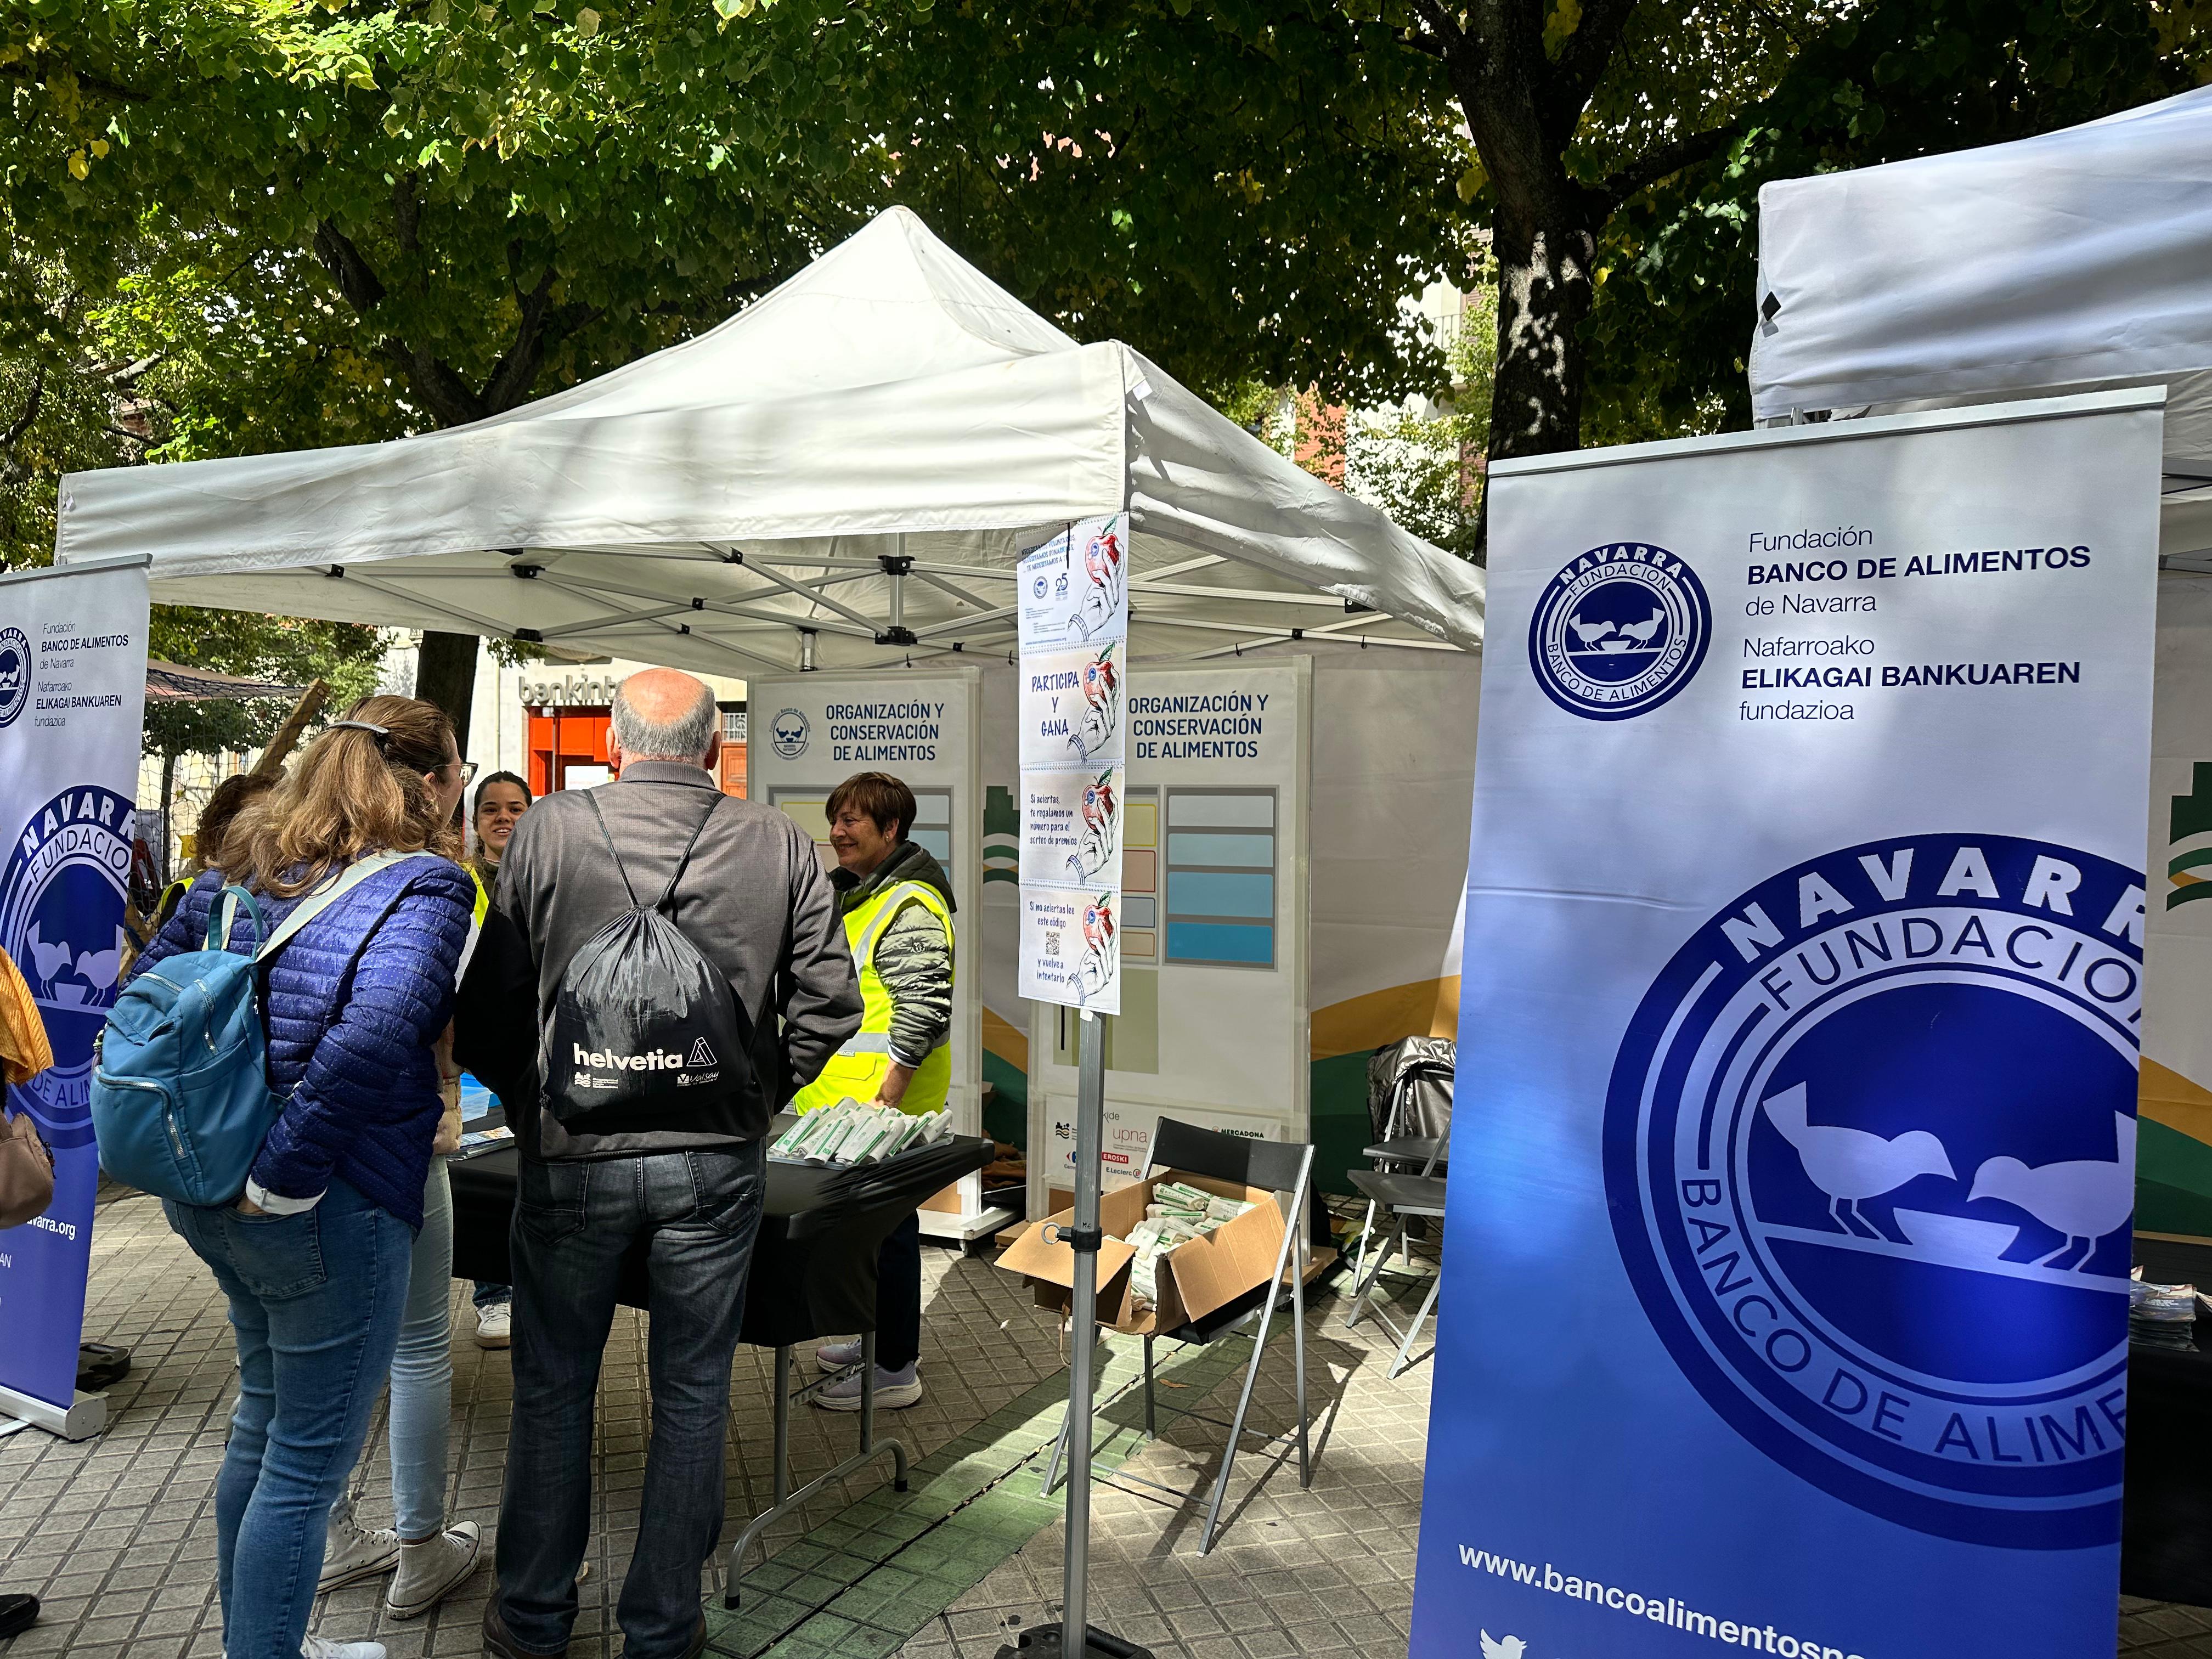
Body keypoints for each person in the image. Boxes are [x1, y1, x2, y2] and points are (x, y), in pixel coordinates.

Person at [483, 668, 860, 1659]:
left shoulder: (548, 830)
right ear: (712, 748)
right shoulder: (776, 839)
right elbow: (831, 1001)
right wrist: (754, 1102)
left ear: (614, 741)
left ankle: (531, 1620)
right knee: (693, 1392)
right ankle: (661, 1627)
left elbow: (488, 1000)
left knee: (554, 1385)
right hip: (713, 1167)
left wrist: (535, 1107)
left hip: (572, 1158)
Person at [132, 696, 477, 1659]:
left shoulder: (243, 856)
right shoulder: (423, 887)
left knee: (264, 1420)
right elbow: (374, 1033)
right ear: (438, 781)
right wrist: (282, 1179)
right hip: (325, 1201)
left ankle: (264, 1636)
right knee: (304, 1462)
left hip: (210, 1186)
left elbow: (142, 997)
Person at [795, 772, 957, 1413]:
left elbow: (922, 1007)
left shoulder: (910, 903)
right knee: (867, 1234)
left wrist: (888, 1098)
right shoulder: (866, 893)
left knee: (888, 1231)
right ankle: (877, 1339)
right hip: (851, 1106)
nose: (837, 832)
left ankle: (893, 1367)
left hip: (880, 1109)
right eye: (836, 818)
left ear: (892, 830)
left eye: (853, 821)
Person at [459, 770, 533, 1350]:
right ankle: (494, 1296)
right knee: (481, 1178)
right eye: (491, 809)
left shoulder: (545, 875)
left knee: (524, 1177)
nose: (503, 818)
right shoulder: (458, 881)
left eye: (515, 807)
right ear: (475, 819)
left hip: (534, 1046)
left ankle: (529, 1288)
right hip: (471, 1052)